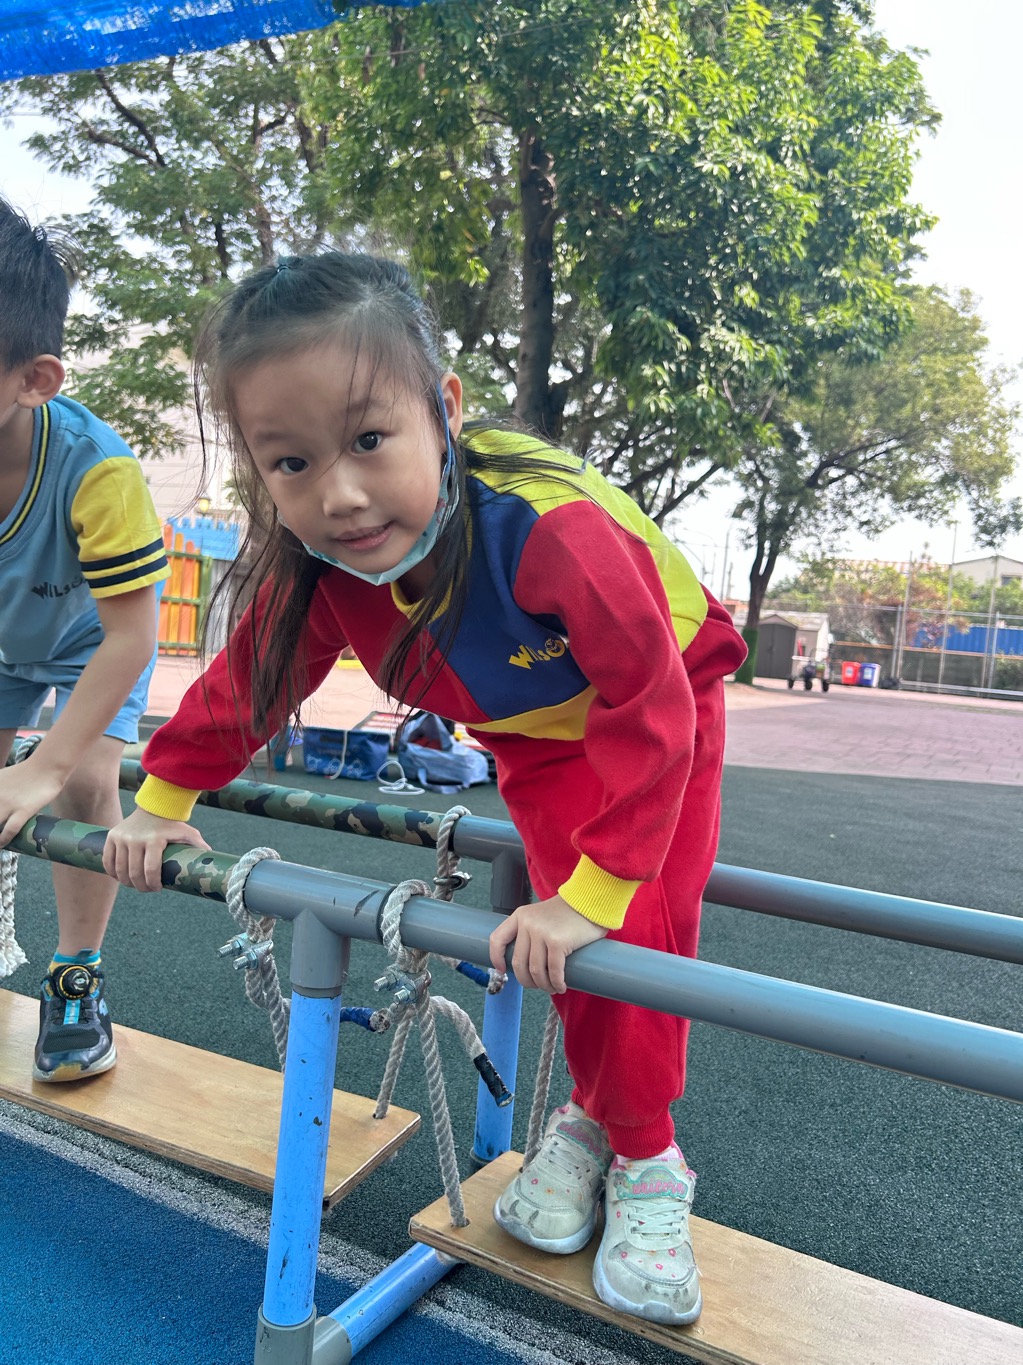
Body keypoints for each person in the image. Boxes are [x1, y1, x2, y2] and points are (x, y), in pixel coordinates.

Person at [102, 251, 746, 1326]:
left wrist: (594, 893)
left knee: (628, 935)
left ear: (443, 409)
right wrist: (159, 803)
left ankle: (647, 1157)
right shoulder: (325, 567)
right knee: (560, 949)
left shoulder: (546, 526)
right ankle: (598, 1121)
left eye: (368, 440)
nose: (340, 494)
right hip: (534, 738)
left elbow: (652, 706)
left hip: (662, 708)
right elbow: (251, 684)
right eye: (292, 461)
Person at [0, 198, 170, 1080]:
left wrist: (48, 762)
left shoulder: (96, 468)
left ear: (34, 379)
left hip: (91, 640)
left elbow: (131, 637)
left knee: (85, 778)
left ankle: (77, 976)